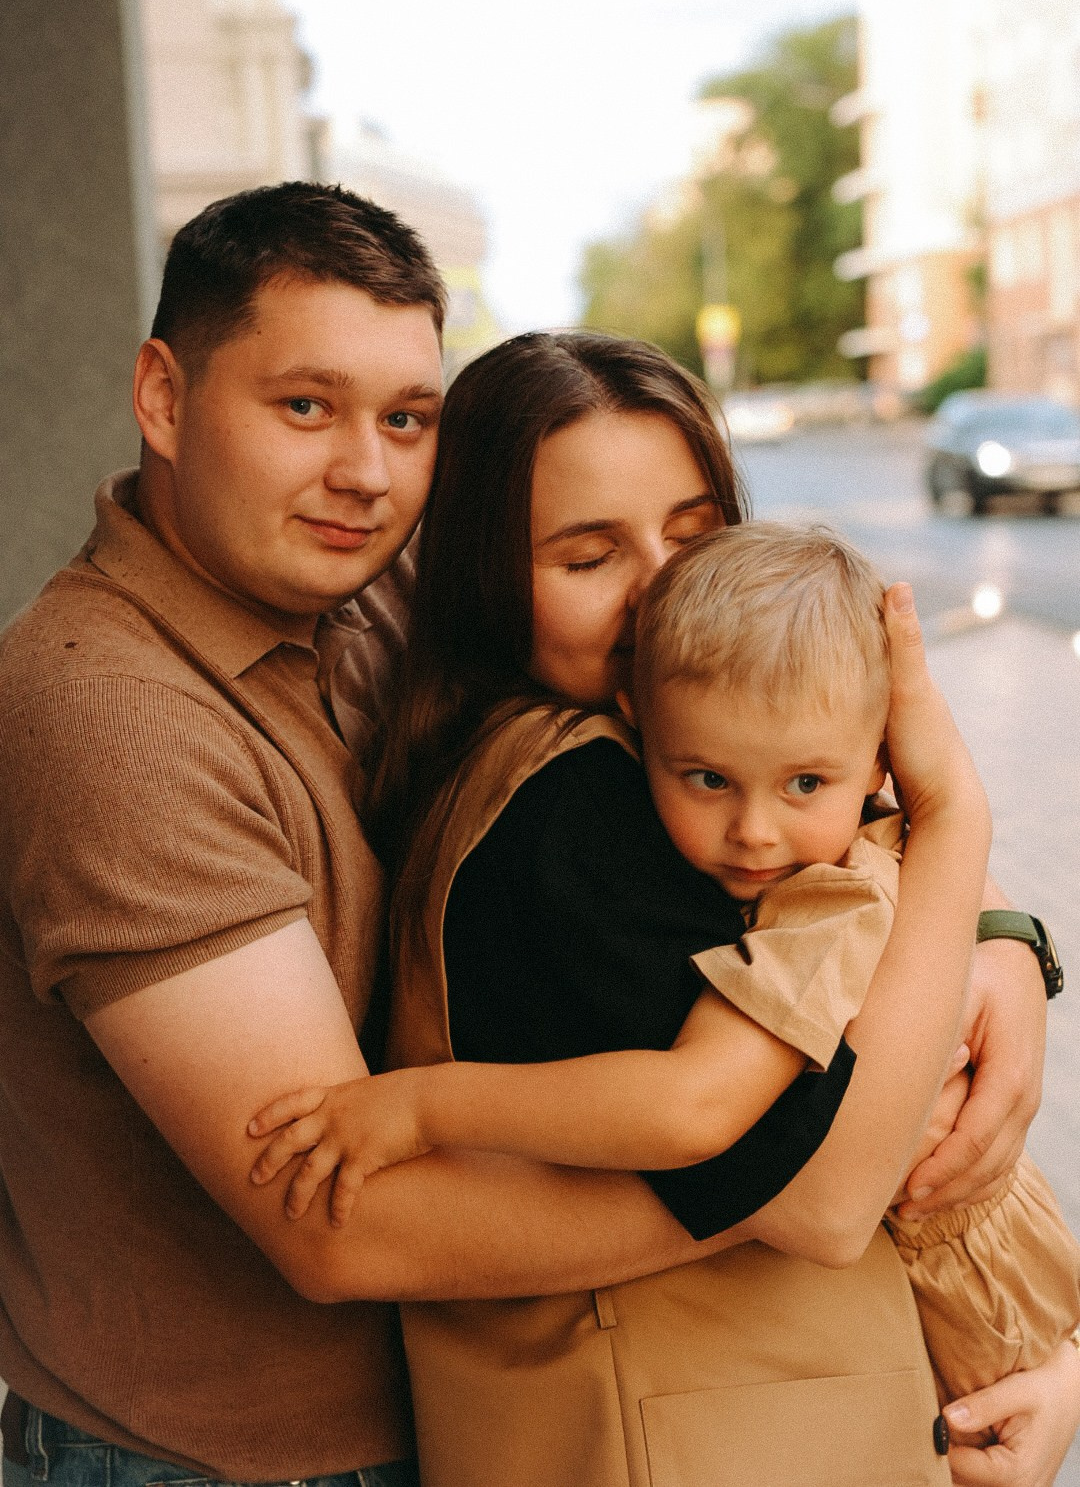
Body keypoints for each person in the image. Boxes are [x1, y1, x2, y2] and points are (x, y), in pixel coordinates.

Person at [0, 193, 1057, 1487]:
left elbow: (822, 812)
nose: (365, 471)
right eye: (303, 407)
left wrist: (1002, 940)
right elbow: (341, 1226)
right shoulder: (110, 710)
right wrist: (821, 1170)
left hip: (436, 1424)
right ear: (162, 398)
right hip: (228, 1457)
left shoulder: (373, 594)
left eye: (405, 419)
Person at [256, 329, 1074, 1487]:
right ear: (490, 576)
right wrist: (957, 817)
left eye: (692, 533)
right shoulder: (579, 805)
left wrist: (1002, 938)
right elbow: (835, 1192)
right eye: (589, 557)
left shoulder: (665, 757)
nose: (661, 593)